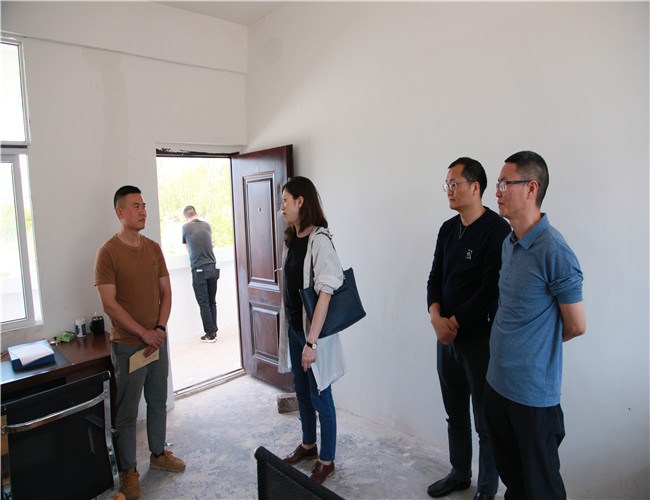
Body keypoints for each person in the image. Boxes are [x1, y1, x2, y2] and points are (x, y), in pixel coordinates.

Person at [485, 151, 586, 499]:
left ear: (531, 188)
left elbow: (576, 325)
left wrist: (535, 352)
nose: (497, 191)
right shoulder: (508, 243)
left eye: (504, 184)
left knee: (543, 489)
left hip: (532, 397)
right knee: (516, 483)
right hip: (497, 385)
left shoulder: (554, 250)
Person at [426, 158, 511, 500]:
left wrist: (454, 323)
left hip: (479, 342)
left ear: (475, 187)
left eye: (454, 183)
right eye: (446, 184)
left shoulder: (496, 230)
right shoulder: (448, 229)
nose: (448, 190)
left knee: (485, 423)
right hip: (445, 340)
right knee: (455, 415)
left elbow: (491, 290)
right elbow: (434, 277)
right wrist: (435, 318)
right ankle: (459, 474)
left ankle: (487, 490)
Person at [95, 186, 186, 500]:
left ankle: (158, 453)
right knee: (127, 413)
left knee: (158, 401)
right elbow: (109, 304)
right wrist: (143, 333)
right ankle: (129, 471)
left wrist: (158, 329)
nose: (143, 211)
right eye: (136, 206)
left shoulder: (153, 249)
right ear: (120, 212)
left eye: (144, 206)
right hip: (129, 346)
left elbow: (167, 292)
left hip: (157, 341)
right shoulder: (108, 253)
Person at [277, 176, 345, 485]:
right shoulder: (292, 238)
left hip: (313, 334)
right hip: (294, 329)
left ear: (300, 201)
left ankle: (326, 460)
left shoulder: (320, 240)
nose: (282, 207)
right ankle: (308, 444)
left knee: (320, 394)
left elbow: (326, 292)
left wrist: (312, 343)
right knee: (302, 391)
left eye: (285, 201)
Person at [182, 205, 220, 343]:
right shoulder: (207, 225)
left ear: (186, 218)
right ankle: (214, 330)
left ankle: (210, 334)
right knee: (212, 301)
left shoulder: (185, 227)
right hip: (212, 266)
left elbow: (188, 248)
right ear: (196, 214)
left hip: (199, 269)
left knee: (203, 303)